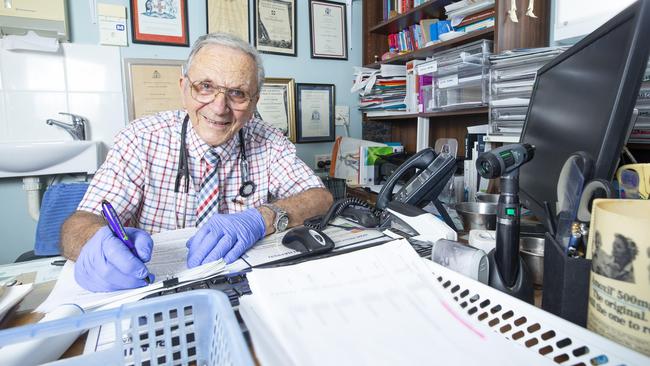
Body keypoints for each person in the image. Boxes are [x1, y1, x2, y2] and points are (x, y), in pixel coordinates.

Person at [60, 33, 333, 292]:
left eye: (237, 93)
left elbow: (321, 198)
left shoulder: (270, 141)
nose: (219, 107)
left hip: (245, 283)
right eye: (205, 87)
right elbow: (79, 223)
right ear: (184, 89)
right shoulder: (140, 139)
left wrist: (262, 217)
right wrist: (94, 242)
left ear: (254, 103)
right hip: (157, 286)